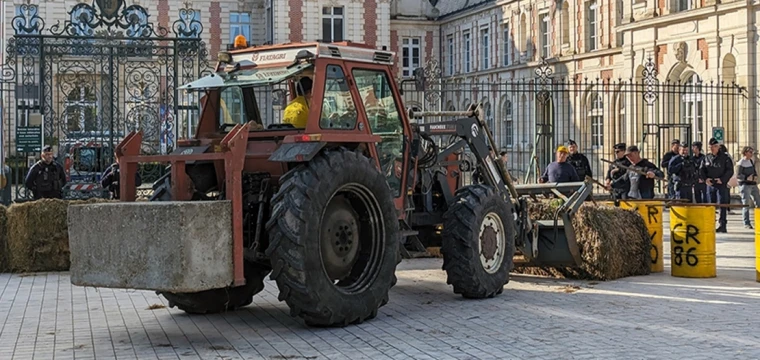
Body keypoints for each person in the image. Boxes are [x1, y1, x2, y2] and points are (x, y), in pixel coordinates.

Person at [700, 138, 734, 233]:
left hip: (721, 184)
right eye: (710, 147)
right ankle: (711, 224)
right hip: (710, 185)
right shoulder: (707, 158)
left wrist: (722, 180)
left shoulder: (725, 158)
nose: (712, 149)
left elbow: (730, 170)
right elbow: (701, 170)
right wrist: (705, 179)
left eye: (714, 147)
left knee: (722, 205)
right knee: (711, 206)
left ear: (718, 147)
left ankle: (722, 225)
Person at [735, 146, 760, 229]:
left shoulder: (751, 161)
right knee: (746, 204)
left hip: (753, 184)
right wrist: (746, 178)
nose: (751, 153)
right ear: (745, 152)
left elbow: (754, 171)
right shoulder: (741, 163)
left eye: (752, 152)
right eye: (750, 152)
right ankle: (746, 222)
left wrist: (755, 176)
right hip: (745, 185)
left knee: (758, 202)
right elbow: (738, 175)